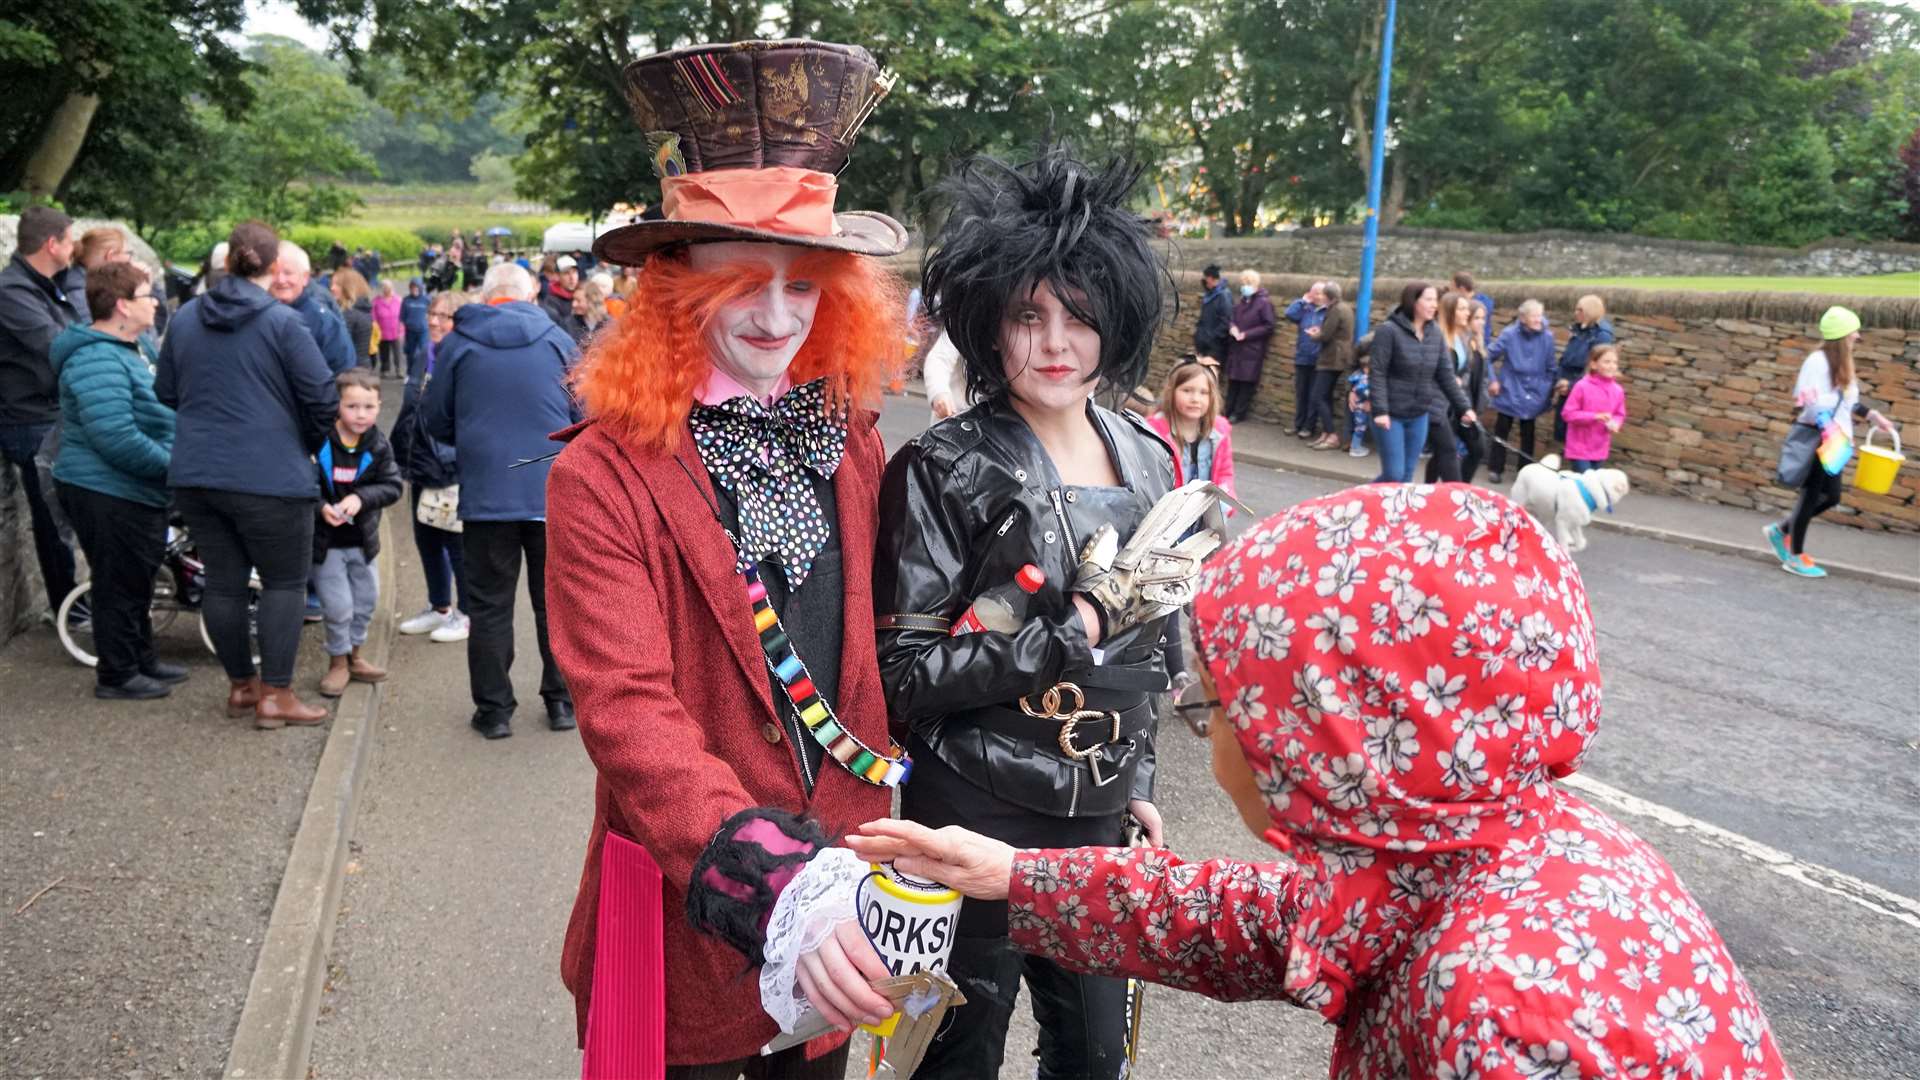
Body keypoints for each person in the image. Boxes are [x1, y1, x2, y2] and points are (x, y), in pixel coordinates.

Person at [850, 483, 1795, 1080]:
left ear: (1333, 735)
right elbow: (1264, 921)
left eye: (1219, 708)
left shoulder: (1492, 1012)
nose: (1213, 739)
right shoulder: (1495, 838)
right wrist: (1015, 875)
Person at [541, 38, 911, 1078]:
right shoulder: (598, 477)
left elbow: (885, 653)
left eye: (805, 288)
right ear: (674, 295)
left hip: (840, 907)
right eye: (743, 285)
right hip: (669, 901)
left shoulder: (852, 438)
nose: (778, 320)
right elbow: (626, 712)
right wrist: (776, 885)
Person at [875, 147, 1211, 1080]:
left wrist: (1140, 776)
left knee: (1099, 1057)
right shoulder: (943, 467)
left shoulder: (1149, 456)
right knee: (953, 1056)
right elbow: (904, 681)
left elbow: (1155, 650)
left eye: (1080, 316)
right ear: (989, 326)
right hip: (969, 810)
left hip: (1101, 821)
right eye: (1029, 316)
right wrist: (1074, 631)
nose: (1056, 343)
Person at [157, 221, 338, 728]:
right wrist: (302, 441)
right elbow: (322, 396)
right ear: (274, 265)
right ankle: (276, 695)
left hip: (197, 472)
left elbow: (165, 392)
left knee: (224, 584)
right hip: (270, 478)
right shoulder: (282, 323)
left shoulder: (187, 317)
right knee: (283, 584)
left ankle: (241, 685)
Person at [420, 262, 578, 739]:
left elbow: (433, 419)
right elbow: (584, 411)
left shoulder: (458, 344)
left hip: (487, 494)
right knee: (556, 606)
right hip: (551, 491)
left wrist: (470, 444)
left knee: (489, 606)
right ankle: (561, 704)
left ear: (488, 297)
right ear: (529, 294)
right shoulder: (557, 340)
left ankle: (494, 712)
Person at [50, 261, 180, 700]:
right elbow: (117, 437)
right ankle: (117, 674)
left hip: (134, 489)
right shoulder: (94, 358)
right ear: (124, 305)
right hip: (105, 490)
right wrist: (174, 463)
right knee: (118, 582)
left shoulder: (136, 345)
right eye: (148, 295)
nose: (157, 303)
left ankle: (142, 659)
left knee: (138, 579)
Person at [1764, 305, 1897, 579]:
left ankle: (1781, 531)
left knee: (1831, 496)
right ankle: (1795, 556)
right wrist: (1828, 427)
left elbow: (1849, 402)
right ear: (1842, 334)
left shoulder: (1842, 362)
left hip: (1836, 439)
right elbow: (1809, 402)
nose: (1857, 336)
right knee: (1812, 493)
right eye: (1854, 331)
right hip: (1819, 437)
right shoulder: (1817, 361)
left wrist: (1874, 416)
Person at [0, 205, 84, 616]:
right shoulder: (12, 291)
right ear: (52, 244)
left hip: (55, 413)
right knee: (53, 519)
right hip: (31, 420)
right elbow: (57, 343)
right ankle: (66, 608)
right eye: (70, 241)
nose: (74, 250)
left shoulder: (50, 284)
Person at [312, 368, 399, 696]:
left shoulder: (377, 444)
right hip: (327, 544)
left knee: (365, 601)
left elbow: (391, 486)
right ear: (338, 406)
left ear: (378, 406)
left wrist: (361, 498)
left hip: (362, 542)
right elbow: (305, 485)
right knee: (337, 606)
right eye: (352, 406)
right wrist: (320, 506)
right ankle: (337, 661)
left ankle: (355, 654)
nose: (361, 415)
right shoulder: (321, 441)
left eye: (369, 407)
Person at [391, 290, 469, 643]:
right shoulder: (425, 353)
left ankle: (466, 614)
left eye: (444, 316)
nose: (435, 321)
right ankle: (439, 607)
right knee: (426, 540)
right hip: (419, 464)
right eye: (432, 314)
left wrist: (450, 457)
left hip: (449, 468)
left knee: (455, 543)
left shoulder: (466, 358)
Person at [1367, 281, 1474, 483]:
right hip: (1391, 414)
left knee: (1407, 476)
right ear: (1413, 301)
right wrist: (1380, 411)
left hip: (1419, 415)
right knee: (1394, 474)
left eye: (1436, 300)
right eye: (1429, 299)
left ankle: (1394, 514)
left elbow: (1445, 374)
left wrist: (1464, 407)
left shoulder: (1435, 333)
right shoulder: (1388, 331)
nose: (1435, 305)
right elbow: (1377, 373)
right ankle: (1358, 503)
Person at [1484, 298, 1556, 483]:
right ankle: (1495, 468)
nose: (1538, 320)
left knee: (1528, 432)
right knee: (1502, 428)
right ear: (1523, 318)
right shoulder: (1509, 334)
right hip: (1510, 386)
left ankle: (1525, 473)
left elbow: (1551, 367)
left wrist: (1545, 388)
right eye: (1534, 316)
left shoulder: (1547, 337)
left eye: (1540, 316)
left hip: (1534, 389)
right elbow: (1486, 357)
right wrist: (1493, 380)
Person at [1146, 355, 1237, 497]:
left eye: (1203, 393)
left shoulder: (1220, 432)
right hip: (1167, 514)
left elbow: (1225, 473)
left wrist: (1223, 504)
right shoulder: (1153, 432)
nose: (1195, 399)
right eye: (1187, 390)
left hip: (1205, 514)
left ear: (1212, 397)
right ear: (1172, 392)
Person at [1426, 293, 1493, 484]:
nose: (1467, 313)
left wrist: (1466, 405)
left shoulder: (1464, 339)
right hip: (1439, 406)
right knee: (1445, 452)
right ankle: (1445, 493)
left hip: (1457, 404)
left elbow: (1467, 374)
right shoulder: (1437, 337)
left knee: (1476, 448)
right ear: (1450, 312)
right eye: (1462, 309)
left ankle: (1458, 489)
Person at [270, 243, 358, 375]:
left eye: (288, 273)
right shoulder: (256, 314)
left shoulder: (323, 320)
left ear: (305, 278)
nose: (281, 280)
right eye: (273, 273)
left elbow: (343, 370)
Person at [1552, 294, 1613, 447]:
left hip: (1584, 391)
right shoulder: (1579, 330)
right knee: (1565, 433)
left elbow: (1595, 368)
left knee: (1579, 437)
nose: (1575, 313)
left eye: (1580, 309)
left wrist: (1571, 386)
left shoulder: (1602, 335)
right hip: (1567, 387)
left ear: (1590, 311)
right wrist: (1561, 381)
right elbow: (1566, 360)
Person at [1560, 342, 1627, 474]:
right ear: (1594, 364)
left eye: (1614, 362)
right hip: (1579, 448)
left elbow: (1619, 414)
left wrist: (1615, 424)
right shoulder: (1582, 386)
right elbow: (1568, 414)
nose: (1612, 366)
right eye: (1607, 362)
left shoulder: (1618, 390)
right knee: (1585, 485)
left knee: (1594, 487)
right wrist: (1594, 417)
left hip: (1600, 447)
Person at [1222, 269, 1275, 423]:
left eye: (1247, 284)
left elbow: (1268, 325)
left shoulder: (1263, 303)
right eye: (1243, 284)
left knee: (1246, 383)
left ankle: (1238, 413)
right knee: (1233, 381)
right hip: (1237, 348)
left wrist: (1247, 334)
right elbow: (1232, 318)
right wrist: (1232, 327)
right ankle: (1227, 410)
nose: (1244, 287)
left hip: (1252, 348)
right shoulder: (1242, 302)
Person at [1306, 281, 1351, 450]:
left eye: (1323, 294)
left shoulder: (1336, 310)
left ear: (1328, 296)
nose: (1321, 297)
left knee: (1317, 396)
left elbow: (1326, 335)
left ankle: (1331, 434)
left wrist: (1314, 334)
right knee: (1325, 396)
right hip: (1338, 358)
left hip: (1332, 358)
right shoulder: (1343, 308)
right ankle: (1326, 432)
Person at [1284, 281, 1329, 438]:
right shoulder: (1305, 309)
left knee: (1313, 396)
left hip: (1319, 359)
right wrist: (1302, 301)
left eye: (1320, 293)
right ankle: (1298, 424)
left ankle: (1309, 427)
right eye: (1314, 293)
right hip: (1302, 357)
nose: (1317, 296)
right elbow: (1289, 314)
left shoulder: (1328, 312)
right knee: (1301, 393)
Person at [331, 268, 374, 368]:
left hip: (350, 372)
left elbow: (340, 349)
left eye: (337, 284)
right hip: (362, 368)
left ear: (348, 287)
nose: (332, 288)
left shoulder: (349, 315)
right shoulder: (363, 309)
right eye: (331, 284)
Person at [1192, 263, 1232, 364]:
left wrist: (1211, 338)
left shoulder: (1223, 296)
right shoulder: (1209, 295)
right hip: (1203, 344)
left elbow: (1226, 321)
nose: (1204, 281)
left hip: (1215, 346)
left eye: (1206, 278)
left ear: (1211, 278)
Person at [372, 280, 405, 378]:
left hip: (396, 330)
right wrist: (376, 330)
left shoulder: (398, 300)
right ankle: (385, 370)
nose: (387, 290)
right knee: (384, 352)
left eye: (388, 287)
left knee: (397, 353)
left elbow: (403, 315)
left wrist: (403, 329)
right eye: (384, 287)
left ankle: (399, 370)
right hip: (382, 331)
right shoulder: (376, 301)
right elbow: (373, 316)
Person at [542, 254, 581, 334]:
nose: (572, 277)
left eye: (574, 272)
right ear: (558, 276)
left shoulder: (583, 294)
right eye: (566, 273)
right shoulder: (551, 301)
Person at [1452, 268, 1493, 345]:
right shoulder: (1486, 300)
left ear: (1461, 289)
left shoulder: (1476, 305)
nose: (1451, 291)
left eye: (1453, 287)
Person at [399, 277, 429, 372]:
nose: (414, 290)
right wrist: (404, 327)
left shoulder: (426, 299)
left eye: (416, 288)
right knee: (410, 353)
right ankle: (410, 372)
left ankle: (425, 372)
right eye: (412, 288)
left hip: (423, 331)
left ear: (420, 288)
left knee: (424, 352)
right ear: (410, 288)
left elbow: (432, 312)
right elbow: (402, 316)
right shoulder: (406, 300)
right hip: (410, 331)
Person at [1344, 352, 1371, 458]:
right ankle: (1355, 448)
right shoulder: (1364, 379)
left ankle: (1356, 446)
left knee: (1360, 427)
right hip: (1361, 408)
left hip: (1358, 407)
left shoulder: (1358, 376)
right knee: (1360, 428)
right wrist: (1369, 398)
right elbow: (1362, 391)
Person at [569, 278, 609, 342]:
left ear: (591, 301)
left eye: (578, 301)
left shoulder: (609, 325)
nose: (574, 304)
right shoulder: (570, 323)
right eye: (573, 300)